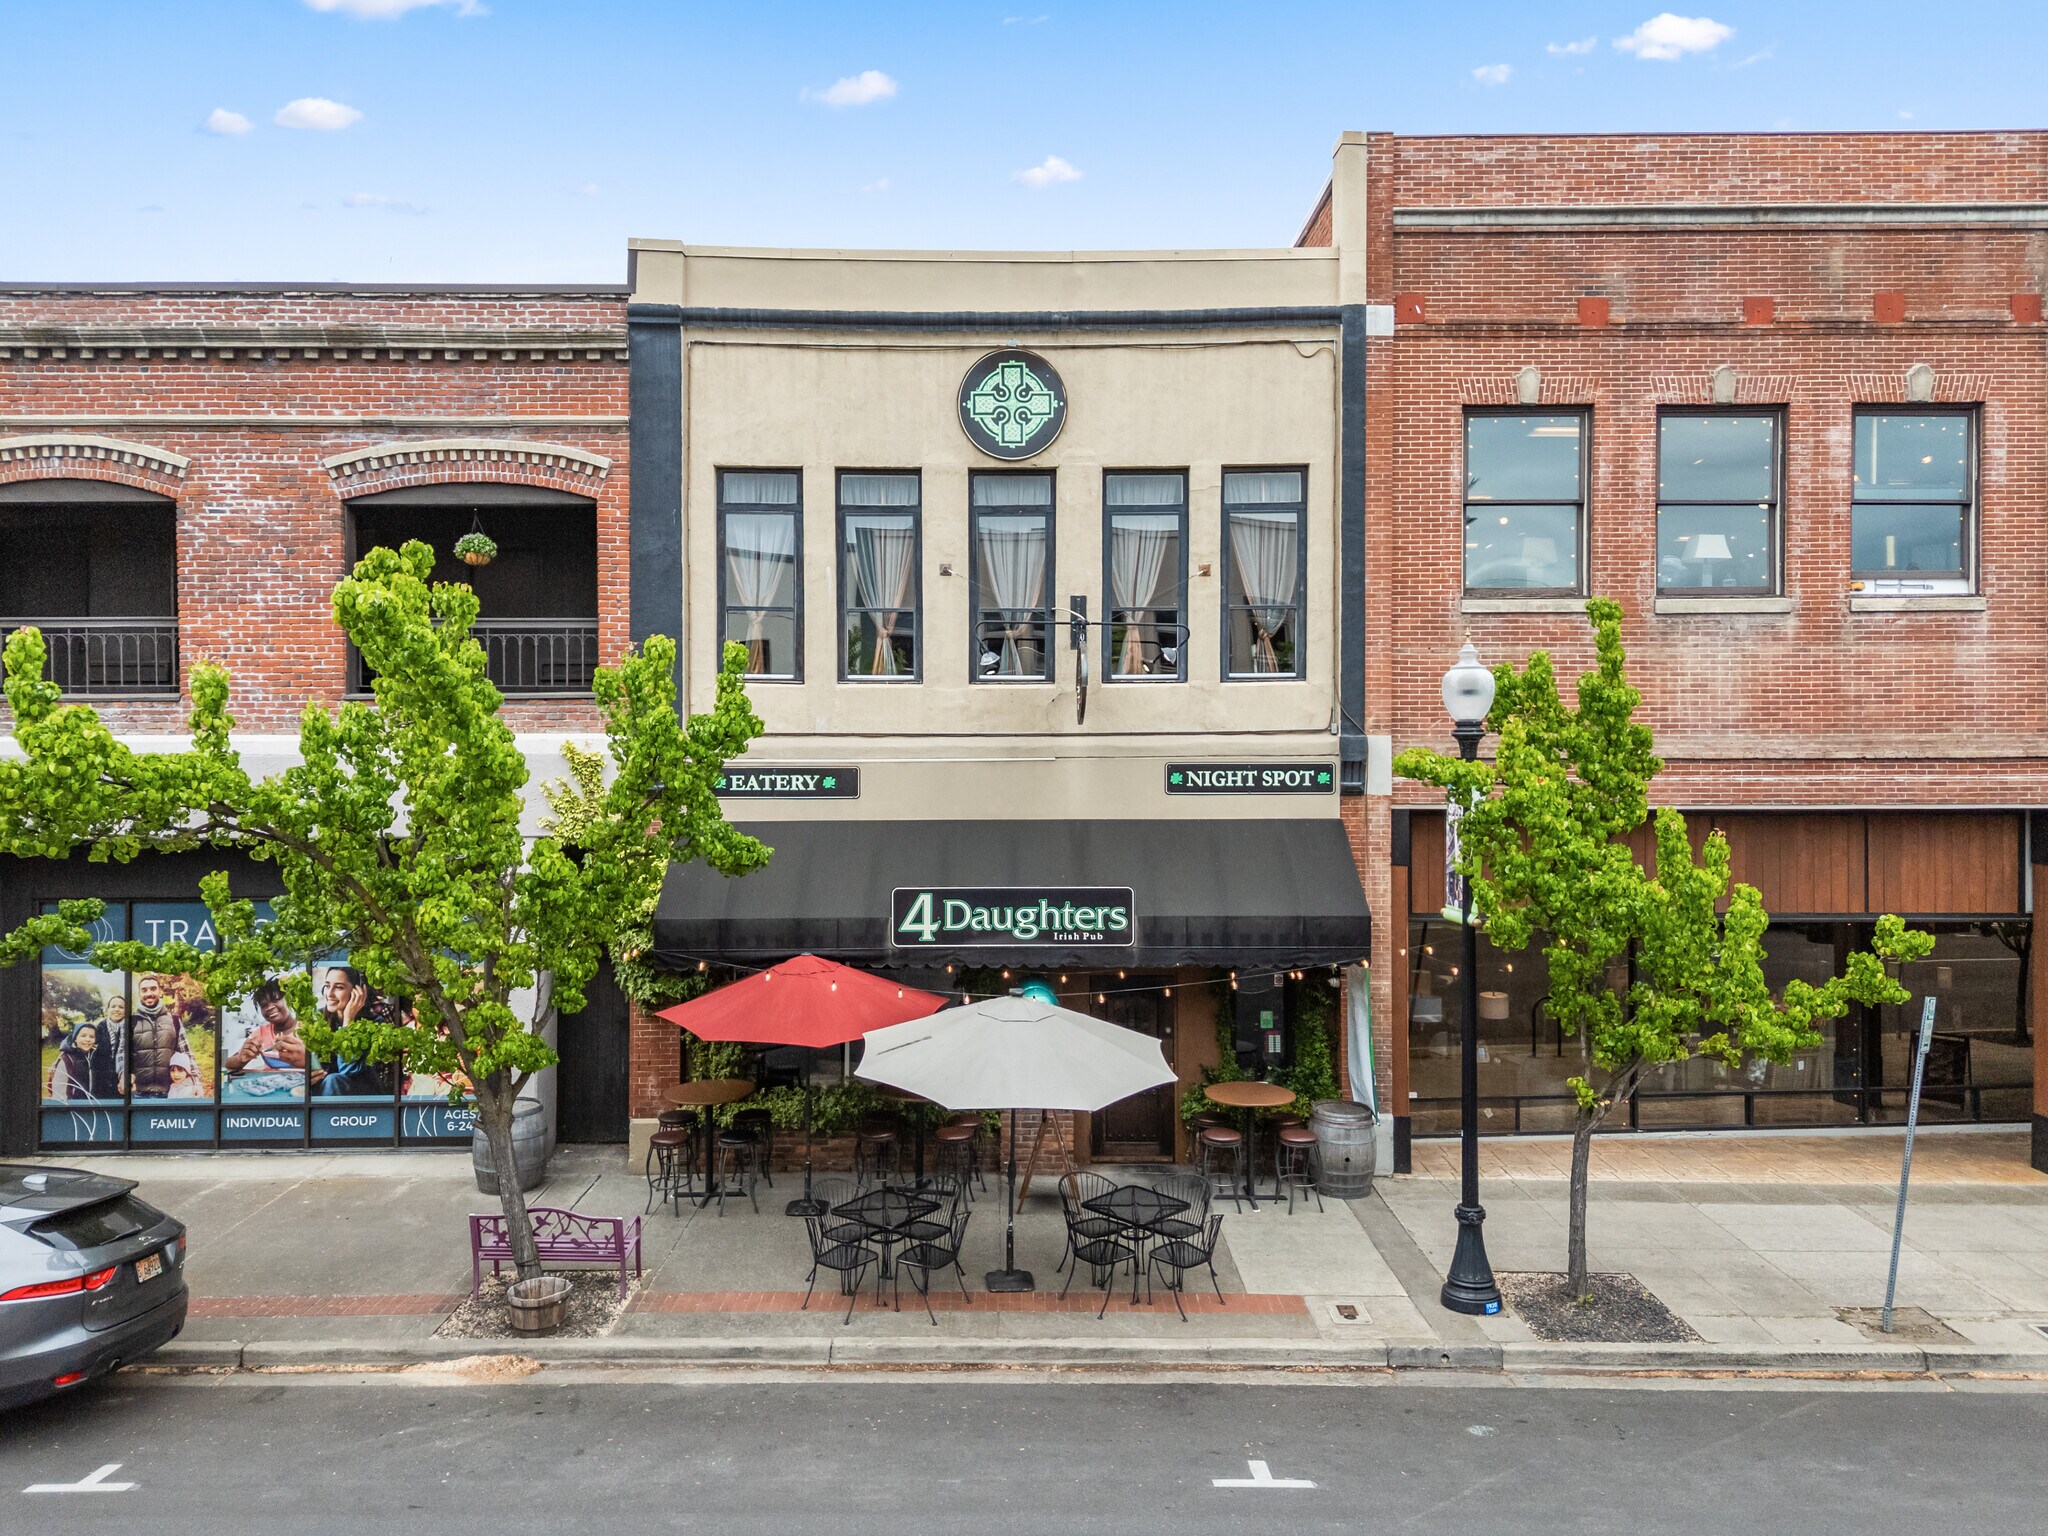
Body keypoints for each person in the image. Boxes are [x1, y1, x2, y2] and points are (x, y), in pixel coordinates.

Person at [314, 964, 397, 1098]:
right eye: (328, 986)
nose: (329, 994)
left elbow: (347, 1070)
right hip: (326, 1094)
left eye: (339, 987)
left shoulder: (375, 1024)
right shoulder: (318, 1019)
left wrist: (348, 1020)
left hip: (364, 1097)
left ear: (358, 992)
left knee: (333, 1080)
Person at [128, 974, 182, 1099]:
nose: (149, 993)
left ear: (160, 991)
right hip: (137, 1094)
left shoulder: (174, 1020)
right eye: (144, 990)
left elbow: (186, 1053)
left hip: (169, 1093)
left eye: (153, 989)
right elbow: (124, 1055)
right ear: (139, 994)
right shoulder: (131, 1022)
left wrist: (196, 1082)